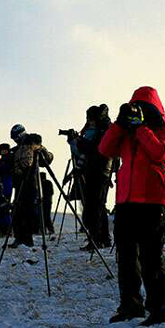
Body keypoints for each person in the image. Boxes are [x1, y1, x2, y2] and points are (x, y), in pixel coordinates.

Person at [99, 86, 165, 326]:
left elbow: (160, 152)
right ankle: (130, 305)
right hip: (125, 203)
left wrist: (141, 129)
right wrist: (119, 125)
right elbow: (105, 149)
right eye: (136, 108)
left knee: (151, 258)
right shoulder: (126, 133)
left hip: (152, 203)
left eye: (145, 108)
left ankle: (159, 308)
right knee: (126, 258)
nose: (139, 112)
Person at [73, 105, 114, 250]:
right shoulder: (106, 129)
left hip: (97, 171)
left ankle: (96, 240)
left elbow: (95, 150)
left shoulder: (101, 131)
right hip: (101, 172)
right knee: (99, 206)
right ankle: (103, 238)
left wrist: (79, 142)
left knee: (93, 206)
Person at [9, 126, 54, 248]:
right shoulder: (18, 149)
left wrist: (39, 149)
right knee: (18, 210)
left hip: (30, 181)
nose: (15, 140)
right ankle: (20, 238)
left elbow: (47, 159)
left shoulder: (31, 144)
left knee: (27, 211)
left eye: (16, 137)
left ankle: (26, 239)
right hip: (21, 181)